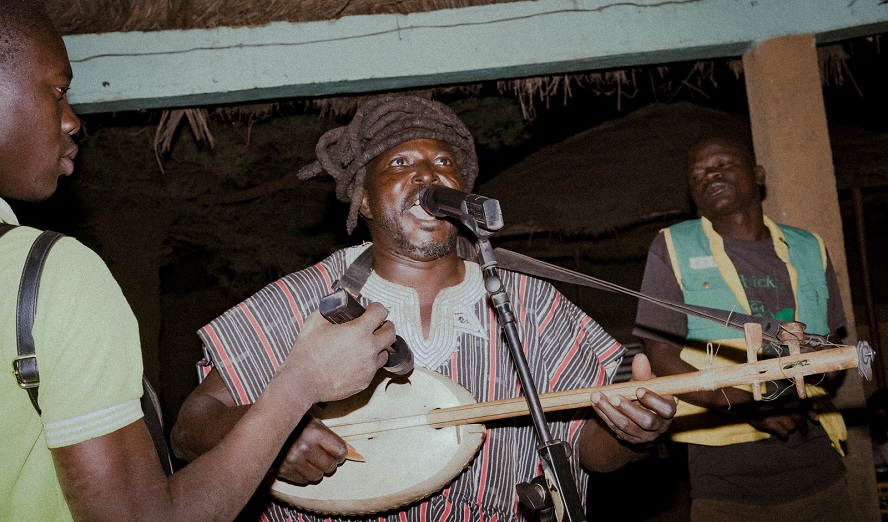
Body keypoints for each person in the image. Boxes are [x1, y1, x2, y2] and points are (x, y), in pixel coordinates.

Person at [171, 94, 677, 522]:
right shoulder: (305, 299)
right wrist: (274, 435)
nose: (425, 174)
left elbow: (589, 452)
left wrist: (630, 431)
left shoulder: (531, 303)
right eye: (399, 163)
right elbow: (190, 427)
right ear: (365, 201)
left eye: (442, 164)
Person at [0, 2, 395, 520]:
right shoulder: (52, 275)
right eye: (57, 90)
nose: (73, 120)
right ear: (364, 199)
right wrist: (301, 383)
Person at [633, 130, 852, 520]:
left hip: (820, 463)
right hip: (727, 477)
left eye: (722, 164)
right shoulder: (673, 246)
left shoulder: (809, 247)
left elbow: (833, 346)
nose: (709, 176)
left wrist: (806, 381)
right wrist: (751, 406)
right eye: (697, 174)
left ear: (758, 174)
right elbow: (661, 355)